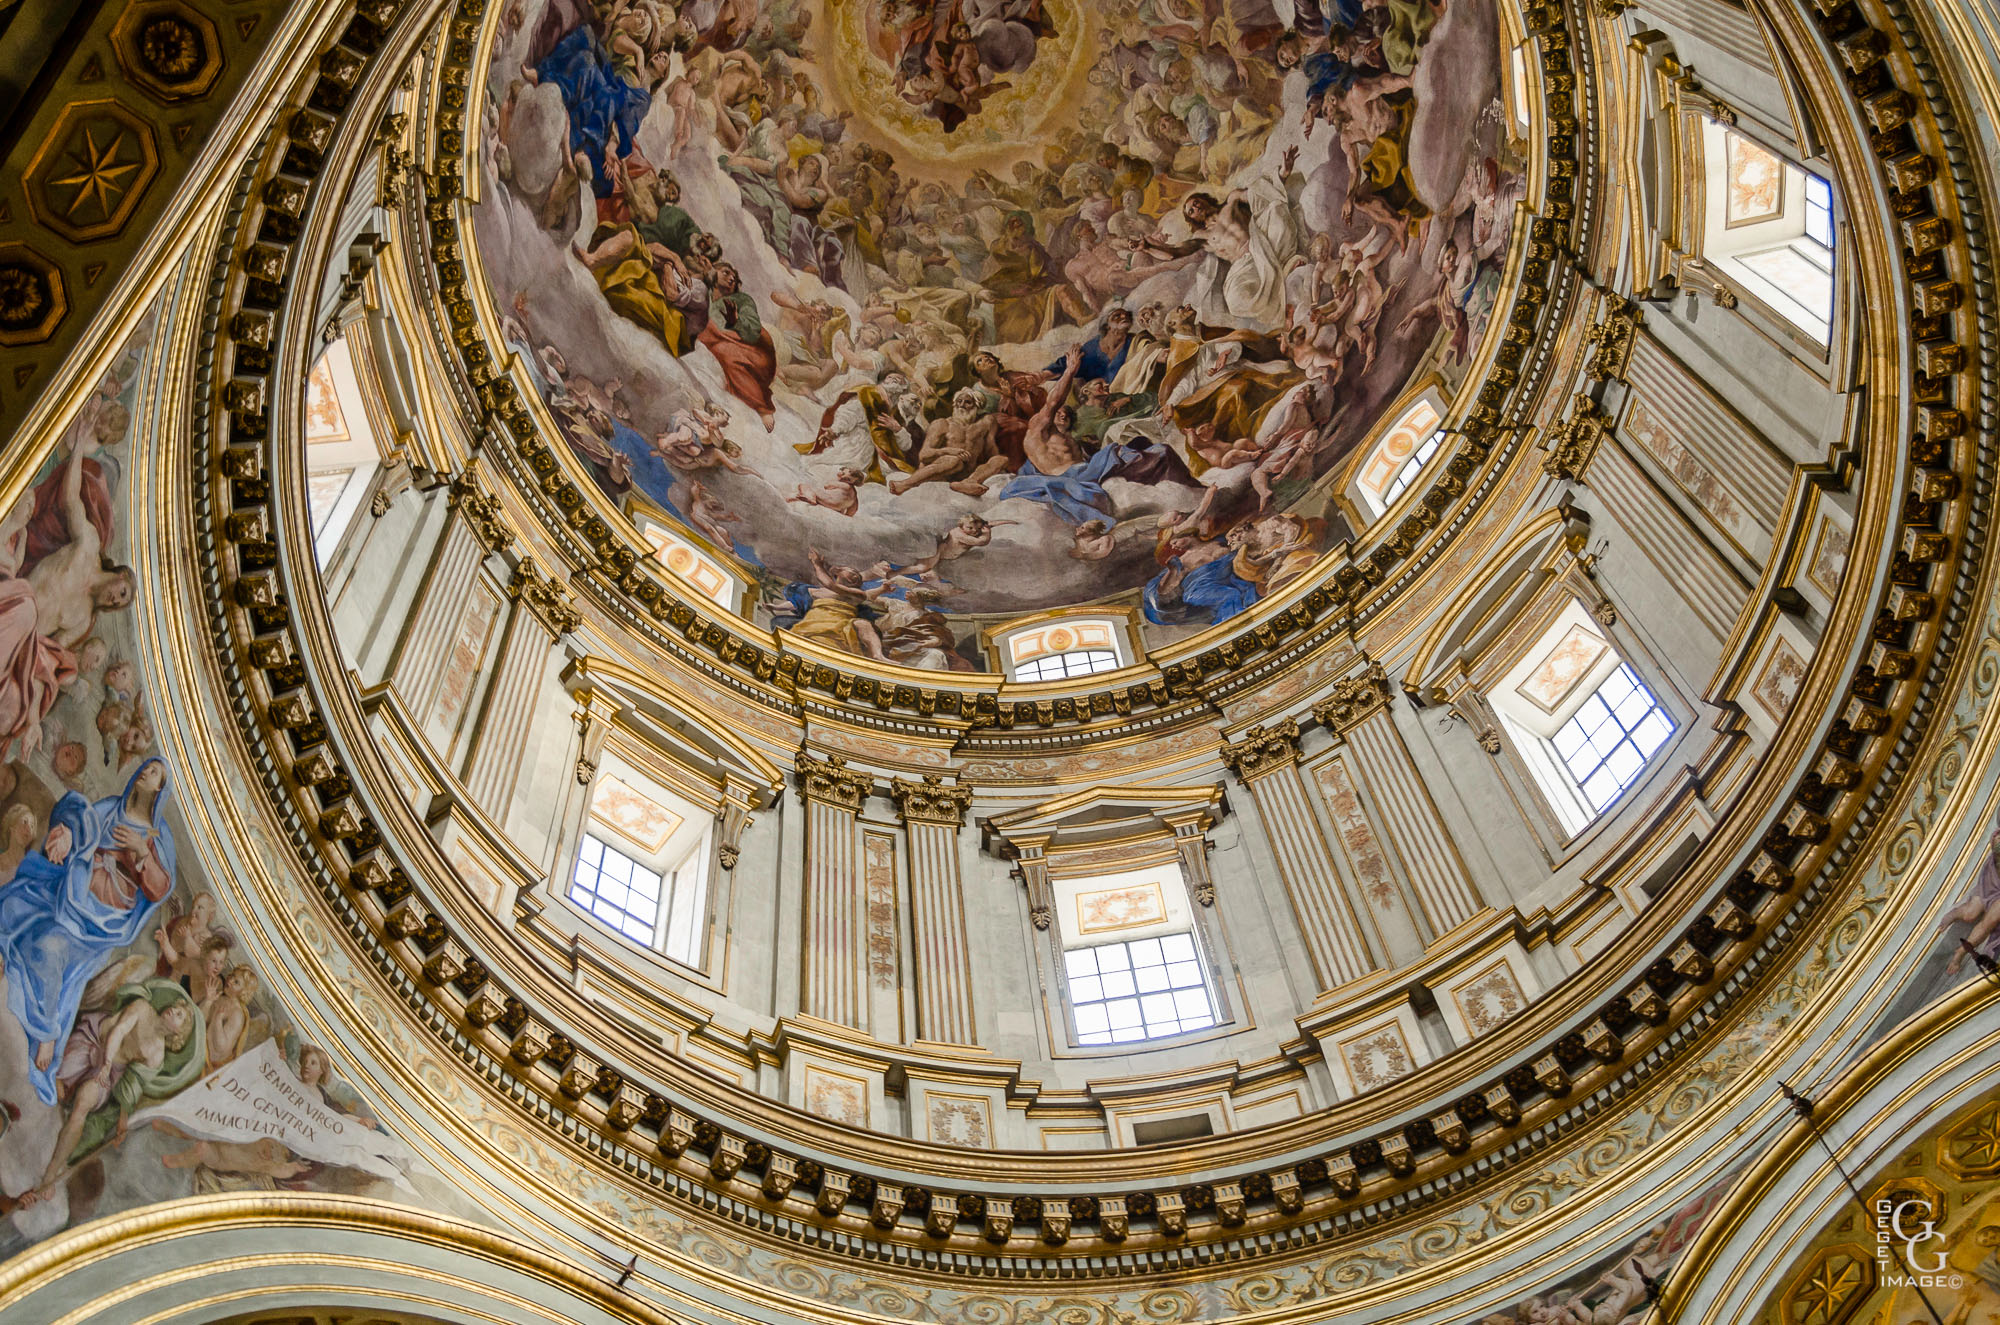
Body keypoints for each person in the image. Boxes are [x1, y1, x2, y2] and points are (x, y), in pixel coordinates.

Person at [0, 756, 176, 1104]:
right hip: (73, 890)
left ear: (161, 788)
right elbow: (79, 821)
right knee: (16, 905)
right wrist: (67, 832)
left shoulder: (158, 836)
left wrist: (140, 851)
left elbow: (159, 889)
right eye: (147, 766)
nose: (146, 771)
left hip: (103, 921)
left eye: (155, 772)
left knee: (51, 948)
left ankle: (47, 1031)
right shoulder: (111, 808)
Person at [8, 977, 204, 1211]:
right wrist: (106, 1062)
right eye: (175, 1007)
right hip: (93, 1041)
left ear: (178, 1033)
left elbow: (132, 1084)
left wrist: (123, 1118)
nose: (172, 1010)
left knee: (83, 1104)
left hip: (108, 1074)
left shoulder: (157, 1055)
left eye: (180, 1015)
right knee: (55, 1088)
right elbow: (118, 1032)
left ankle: (51, 1172)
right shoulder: (143, 1008)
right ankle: (16, 1130)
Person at [697, 263, 780, 429]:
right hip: (717, 339)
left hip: (755, 352)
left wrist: (736, 321)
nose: (731, 278)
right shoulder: (705, 294)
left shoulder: (742, 300)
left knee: (726, 352)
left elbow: (753, 332)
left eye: (734, 278)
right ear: (713, 273)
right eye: (726, 273)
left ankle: (762, 407)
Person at [889, 389, 1011, 496]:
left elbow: (991, 448)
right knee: (955, 461)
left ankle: (969, 482)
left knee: (1001, 459)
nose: (961, 405)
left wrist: (995, 465)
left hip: (967, 472)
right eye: (959, 401)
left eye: (967, 402)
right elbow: (923, 455)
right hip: (944, 469)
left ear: (977, 405)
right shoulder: (942, 424)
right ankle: (904, 484)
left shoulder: (987, 422)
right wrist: (949, 451)